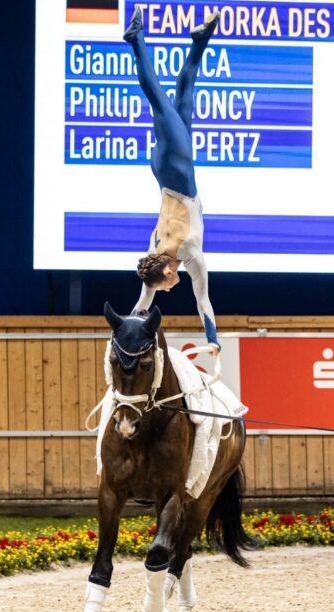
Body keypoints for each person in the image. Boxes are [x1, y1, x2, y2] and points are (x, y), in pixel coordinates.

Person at [126, 6, 222, 354]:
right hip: (169, 171)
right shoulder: (155, 253)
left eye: (165, 286)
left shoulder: (189, 252)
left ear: (167, 273)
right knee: (186, 95)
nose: (169, 289)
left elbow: (201, 299)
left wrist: (213, 338)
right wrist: (212, 340)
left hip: (176, 170)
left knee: (158, 99)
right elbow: (141, 307)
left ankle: (135, 39)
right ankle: (200, 40)